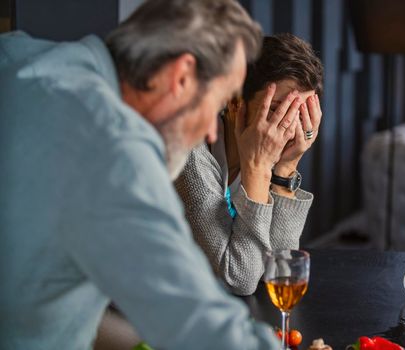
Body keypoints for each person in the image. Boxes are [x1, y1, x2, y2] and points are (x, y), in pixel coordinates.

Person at [0, 0, 282, 349]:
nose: (212, 131)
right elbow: (205, 328)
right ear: (181, 76)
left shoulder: (16, 54)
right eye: (218, 104)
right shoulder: (114, 151)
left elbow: (32, 291)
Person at [175, 33, 324, 295]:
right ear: (234, 102)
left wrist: (285, 170)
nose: (290, 125)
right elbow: (239, 279)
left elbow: (280, 274)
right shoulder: (190, 153)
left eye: (301, 112)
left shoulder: (262, 151)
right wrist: (257, 169)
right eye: (278, 108)